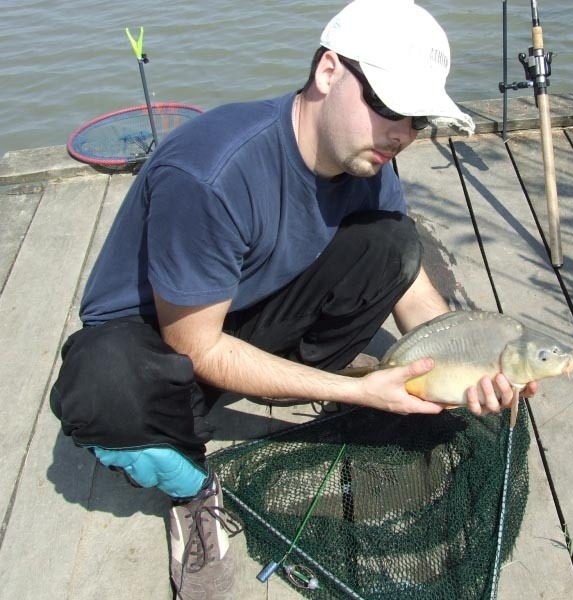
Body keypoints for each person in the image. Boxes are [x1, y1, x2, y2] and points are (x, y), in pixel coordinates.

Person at [50, 1, 538, 598]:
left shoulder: (368, 159)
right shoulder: (211, 172)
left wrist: (472, 362)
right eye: (389, 106)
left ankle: (297, 379)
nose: (403, 134)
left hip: (244, 310)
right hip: (158, 340)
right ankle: (190, 490)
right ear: (329, 71)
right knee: (102, 391)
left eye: (418, 120)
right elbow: (192, 343)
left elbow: (414, 291)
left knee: (394, 244)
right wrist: (357, 391)